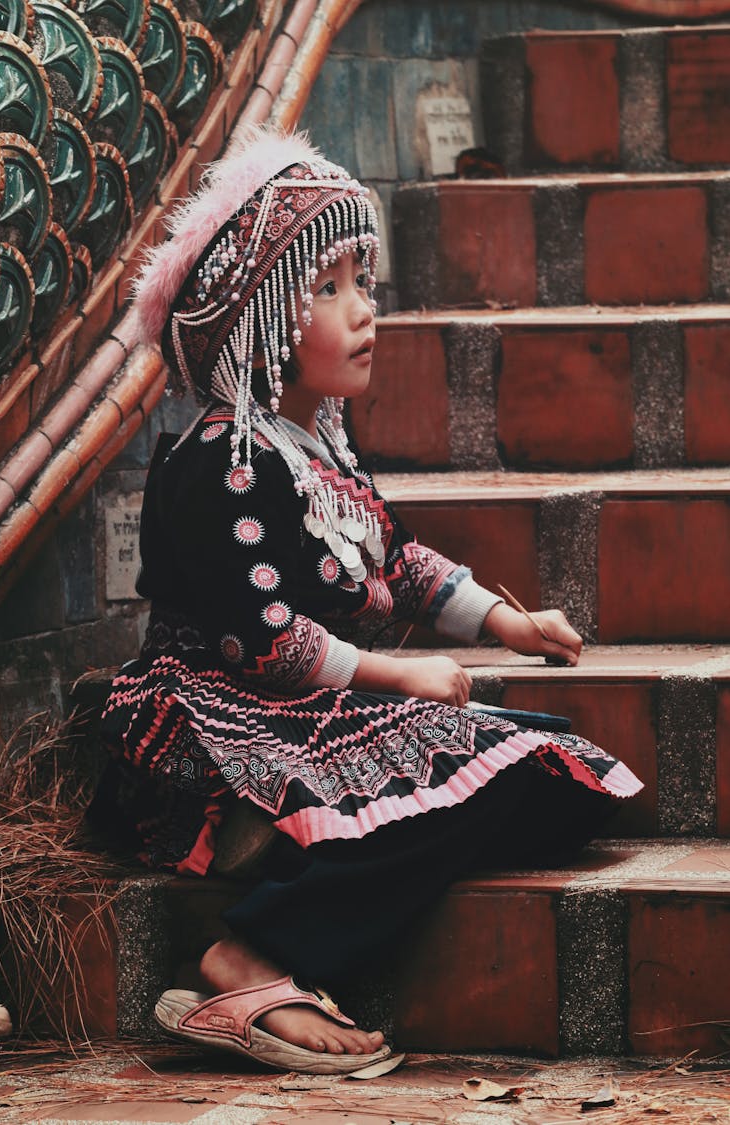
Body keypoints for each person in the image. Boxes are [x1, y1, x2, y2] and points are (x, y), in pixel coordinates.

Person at [96, 126, 643, 1075]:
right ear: (255, 313)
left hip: (308, 707)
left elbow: (399, 558)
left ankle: (310, 835)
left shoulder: (321, 452)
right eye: (327, 287)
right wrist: (399, 672)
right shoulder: (221, 464)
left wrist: (510, 622)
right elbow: (261, 640)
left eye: (365, 283)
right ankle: (256, 950)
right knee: (492, 763)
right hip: (218, 723)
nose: (364, 311)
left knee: (551, 769)